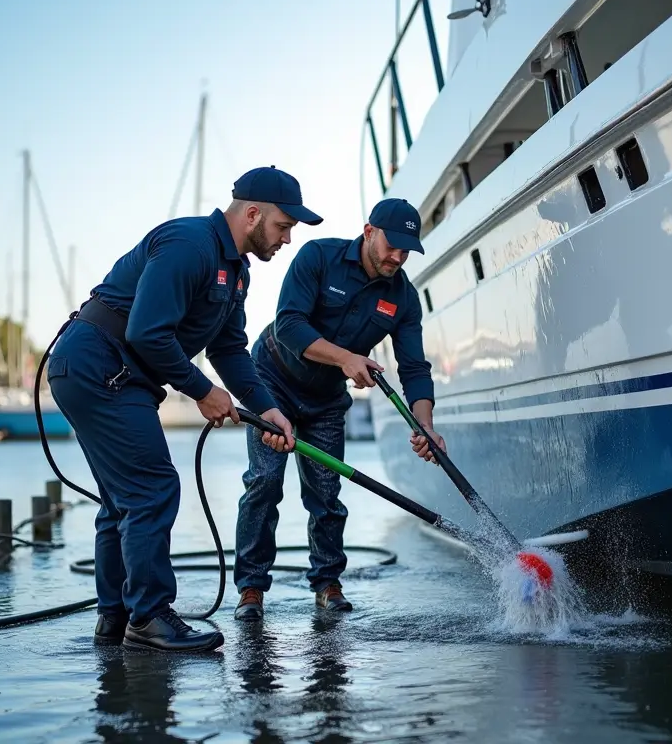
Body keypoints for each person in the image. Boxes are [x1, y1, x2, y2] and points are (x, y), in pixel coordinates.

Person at [47, 166, 322, 652]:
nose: (287, 238)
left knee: (123, 501)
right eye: (283, 226)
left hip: (111, 373)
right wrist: (202, 391)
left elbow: (230, 350)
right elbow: (146, 332)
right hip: (96, 364)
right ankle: (149, 618)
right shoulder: (189, 245)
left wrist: (269, 409)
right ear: (252, 214)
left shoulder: (237, 273)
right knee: (151, 488)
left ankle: (116, 619)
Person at [232, 197, 446, 621]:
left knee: (326, 494)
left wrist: (425, 424)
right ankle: (251, 589)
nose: (398, 257)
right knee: (265, 483)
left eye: (407, 250)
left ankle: (327, 584)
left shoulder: (403, 297)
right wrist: (347, 358)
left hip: (327, 399)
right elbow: (290, 324)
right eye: (392, 245)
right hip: (271, 381)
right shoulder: (319, 257)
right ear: (369, 232)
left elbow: (415, 368)